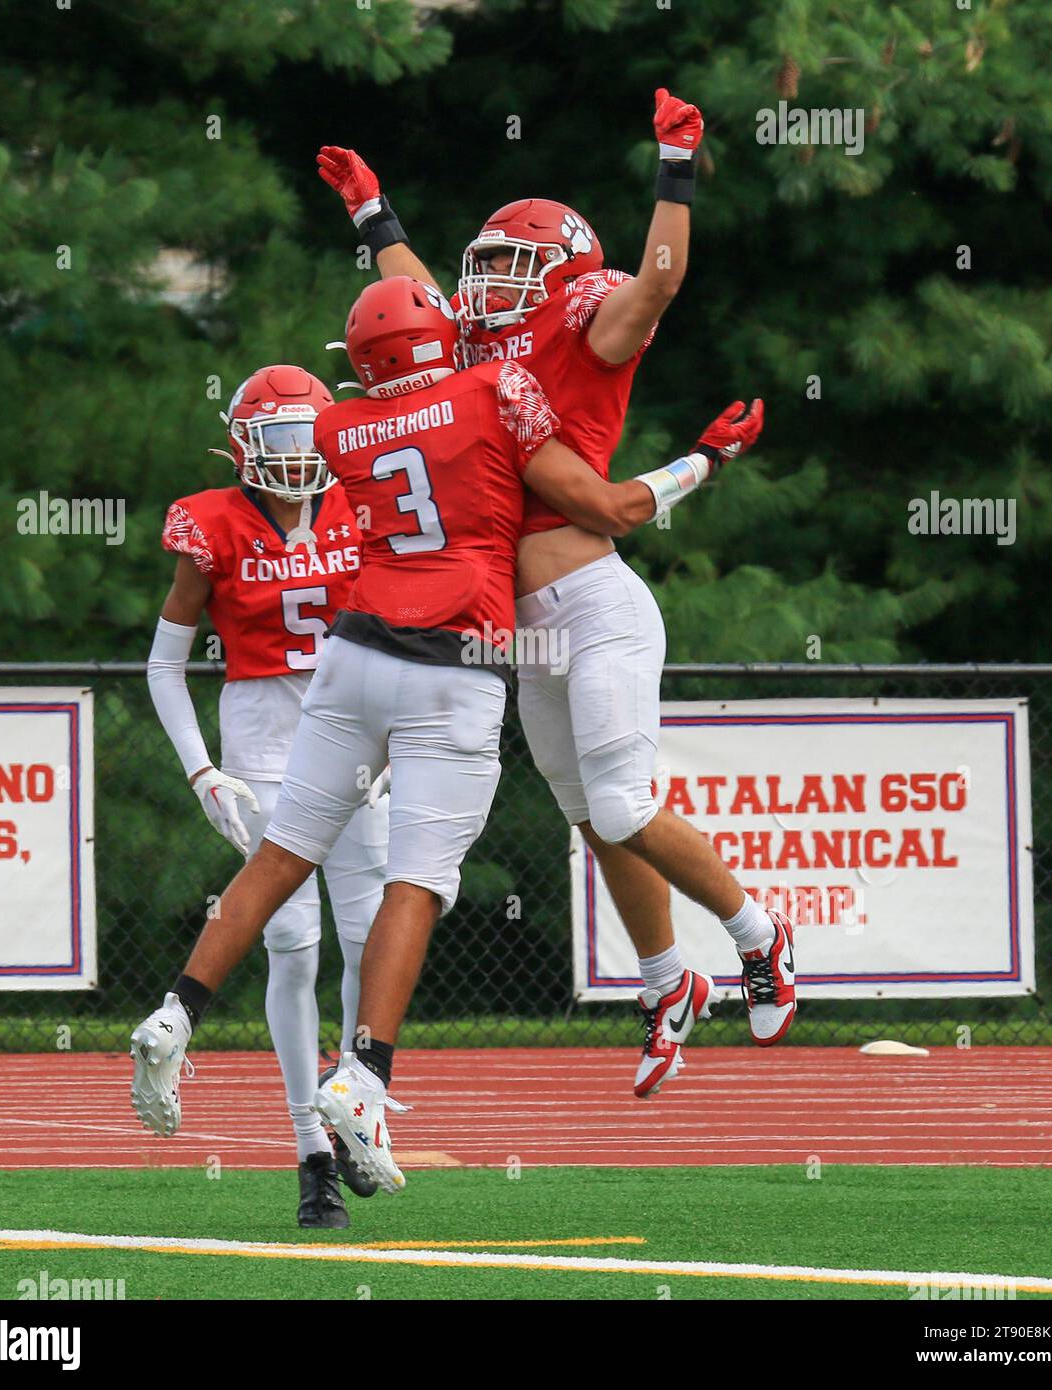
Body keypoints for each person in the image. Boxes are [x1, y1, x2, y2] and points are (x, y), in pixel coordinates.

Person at [129, 276, 764, 1193]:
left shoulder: (340, 429)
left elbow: (394, 406)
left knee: (280, 856)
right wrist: (706, 458)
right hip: (452, 663)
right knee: (414, 885)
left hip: (349, 658)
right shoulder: (491, 390)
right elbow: (615, 507)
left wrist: (377, 231)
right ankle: (366, 1077)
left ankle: (177, 1014)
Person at [315, 90, 795, 1098]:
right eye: (481, 264)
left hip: (592, 600)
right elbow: (415, 300)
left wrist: (672, 165)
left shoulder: (585, 326)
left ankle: (758, 932)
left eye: (506, 265)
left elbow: (657, 283)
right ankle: (668, 983)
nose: (484, 282)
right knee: (588, 814)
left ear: (562, 274)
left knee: (622, 802)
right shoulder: (475, 350)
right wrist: (372, 214)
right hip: (514, 629)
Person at [140, 363, 389, 1229]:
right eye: (273, 439)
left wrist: (400, 729)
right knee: (294, 943)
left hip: (359, 730)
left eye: (302, 436)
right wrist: (200, 766)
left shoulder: (368, 500)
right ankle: (309, 1153)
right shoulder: (210, 523)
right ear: (241, 444)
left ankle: (355, 1107)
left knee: (367, 940)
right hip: (265, 736)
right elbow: (165, 662)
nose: (291, 458)